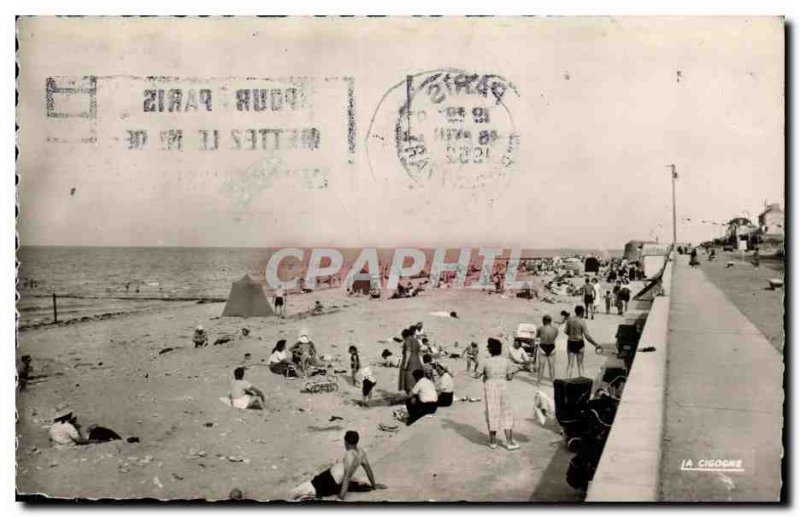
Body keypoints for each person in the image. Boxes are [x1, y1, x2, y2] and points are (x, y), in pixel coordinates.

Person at [290, 431, 384, 500]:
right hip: (331, 481)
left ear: (345, 442)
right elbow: (368, 470)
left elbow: (347, 478)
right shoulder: (361, 452)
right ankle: (309, 495)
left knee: (297, 491)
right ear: (357, 441)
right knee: (311, 488)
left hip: (328, 481)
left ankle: (305, 496)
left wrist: (340, 499)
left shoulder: (349, 455)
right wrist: (374, 485)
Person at [481, 338, 518, 450]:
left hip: (490, 386)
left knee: (492, 411)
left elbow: (477, 375)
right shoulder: (506, 361)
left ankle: (493, 442)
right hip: (503, 386)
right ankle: (509, 442)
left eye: (488, 346)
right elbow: (510, 376)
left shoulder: (485, 361)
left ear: (491, 349)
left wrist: (485, 376)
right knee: (506, 412)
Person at [564, 306, 603, 378]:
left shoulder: (569, 320)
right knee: (580, 364)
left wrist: (572, 334)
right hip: (579, 343)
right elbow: (587, 336)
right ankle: (581, 382)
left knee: (570, 364)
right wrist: (596, 344)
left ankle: (567, 382)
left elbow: (565, 331)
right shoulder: (582, 322)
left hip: (570, 342)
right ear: (582, 312)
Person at [398, 327, 423, 393]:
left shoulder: (407, 340)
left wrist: (406, 364)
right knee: (417, 380)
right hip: (417, 361)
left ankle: (411, 398)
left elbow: (408, 351)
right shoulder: (416, 340)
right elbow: (419, 352)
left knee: (409, 382)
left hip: (410, 362)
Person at [535, 315, 558, 386]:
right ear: (550, 321)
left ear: (544, 321)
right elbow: (555, 337)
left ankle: (538, 383)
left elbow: (537, 336)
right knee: (551, 367)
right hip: (552, 347)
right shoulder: (555, 329)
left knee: (541, 366)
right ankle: (553, 383)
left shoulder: (540, 328)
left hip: (543, 347)